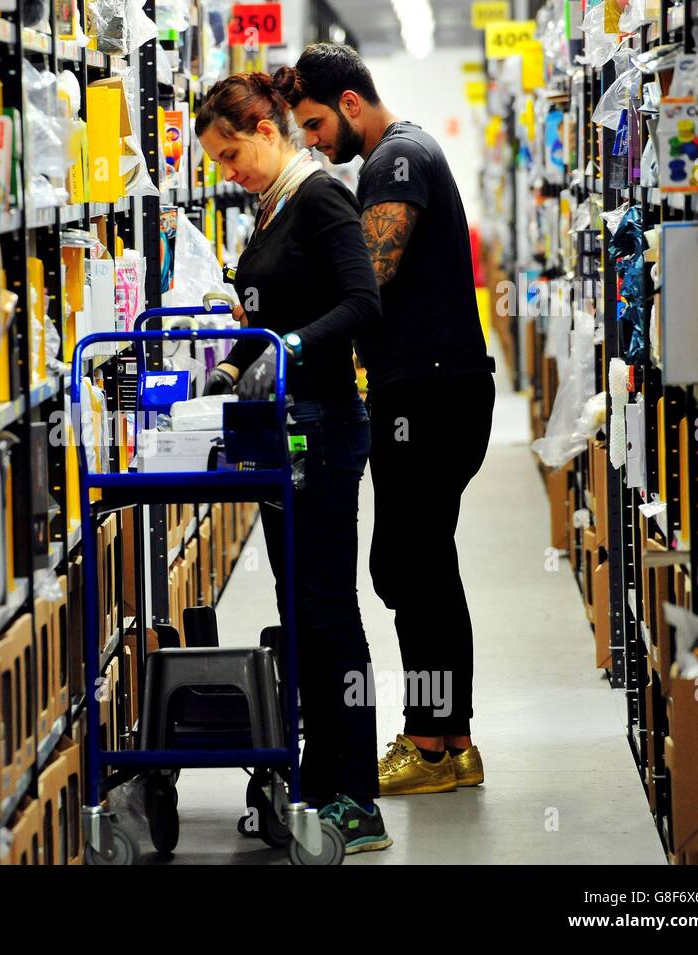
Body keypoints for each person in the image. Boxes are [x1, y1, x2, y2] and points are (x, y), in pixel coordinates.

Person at [275, 44, 496, 796]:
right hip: (435, 392)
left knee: (408, 565)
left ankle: (427, 742)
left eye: (313, 123)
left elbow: (372, 271)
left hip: (430, 395)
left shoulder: (394, 162)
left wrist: (298, 296)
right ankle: (452, 740)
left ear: (349, 104)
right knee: (426, 562)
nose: (311, 141)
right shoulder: (401, 153)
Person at [194, 73, 389, 853]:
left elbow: (361, 303)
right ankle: (318, 773)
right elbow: (268, 314)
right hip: (282, 428)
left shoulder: (320, 198)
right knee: (299, 609)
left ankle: (360, 797)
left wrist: (293, 347)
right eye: (216, 159)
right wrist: (229, 367)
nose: (226, 170)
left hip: (325, 428)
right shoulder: (270, 207)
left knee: (329, 611)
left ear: (270, 129)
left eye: (231, 151)